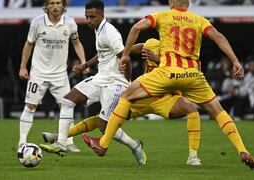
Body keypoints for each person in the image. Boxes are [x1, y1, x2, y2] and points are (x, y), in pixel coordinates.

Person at [84, 0, 254, 170]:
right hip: (193, 75)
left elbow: (137, 27)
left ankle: (103, 143)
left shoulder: (163, 15)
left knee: (126, 96)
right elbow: (218, 36)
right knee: (219, 112)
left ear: (171, 3)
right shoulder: (199, 20)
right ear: (188, 4)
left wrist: (124, 55)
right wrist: (235, 61)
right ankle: (242, 151)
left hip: (168, 72)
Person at [43, 38, 203, 166]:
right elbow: (119, 51)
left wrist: (159, 60)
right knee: (103, 121)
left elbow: (185, 72)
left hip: (165, 98)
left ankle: (193, 156)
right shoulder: (152, 44)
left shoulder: (184, 54)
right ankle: (61, 136)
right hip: (141, 95)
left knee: (191, 108)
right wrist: (87, 64)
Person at [39, 0, 147, 165]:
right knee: (68, 100)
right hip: (100, 78)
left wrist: (127, 82)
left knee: (104, 127)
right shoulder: (99, 30)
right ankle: (61, 143)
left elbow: (125, 57)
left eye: (92, 17)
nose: (88, 20)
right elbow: (102, 54)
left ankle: (134, 145)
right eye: (87, 16)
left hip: (114, 83)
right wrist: (86, 65)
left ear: (102, 15)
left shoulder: (110, 32)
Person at [18, 0, 86, 152]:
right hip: (38, 73)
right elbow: (28, 44)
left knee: (67, 106)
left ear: (63, 5)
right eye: (52, 3)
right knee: (30, 106)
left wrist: (84, 62)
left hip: (60, 75)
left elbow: (76, 43)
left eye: (58, 3)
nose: (55, 7)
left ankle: (69, 142)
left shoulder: (70, 22)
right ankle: (22, 142)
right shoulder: (37, 22)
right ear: (46, 6)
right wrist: (23, 67)